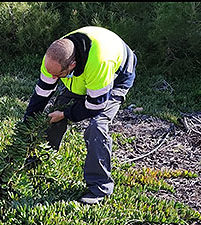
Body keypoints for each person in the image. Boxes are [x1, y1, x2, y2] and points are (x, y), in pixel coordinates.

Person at [24, 26, 137, 205]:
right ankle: (39, 160)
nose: (53, 77)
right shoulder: (54, 58)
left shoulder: (99, 63)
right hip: (83, 75)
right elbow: (41, 95)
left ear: (72, 65)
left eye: (57, 75)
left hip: (116, 77)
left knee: (96, 127)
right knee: (54, 114)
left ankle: (100, 188)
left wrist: (66, 114)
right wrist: (27, 123)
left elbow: (95, 106)